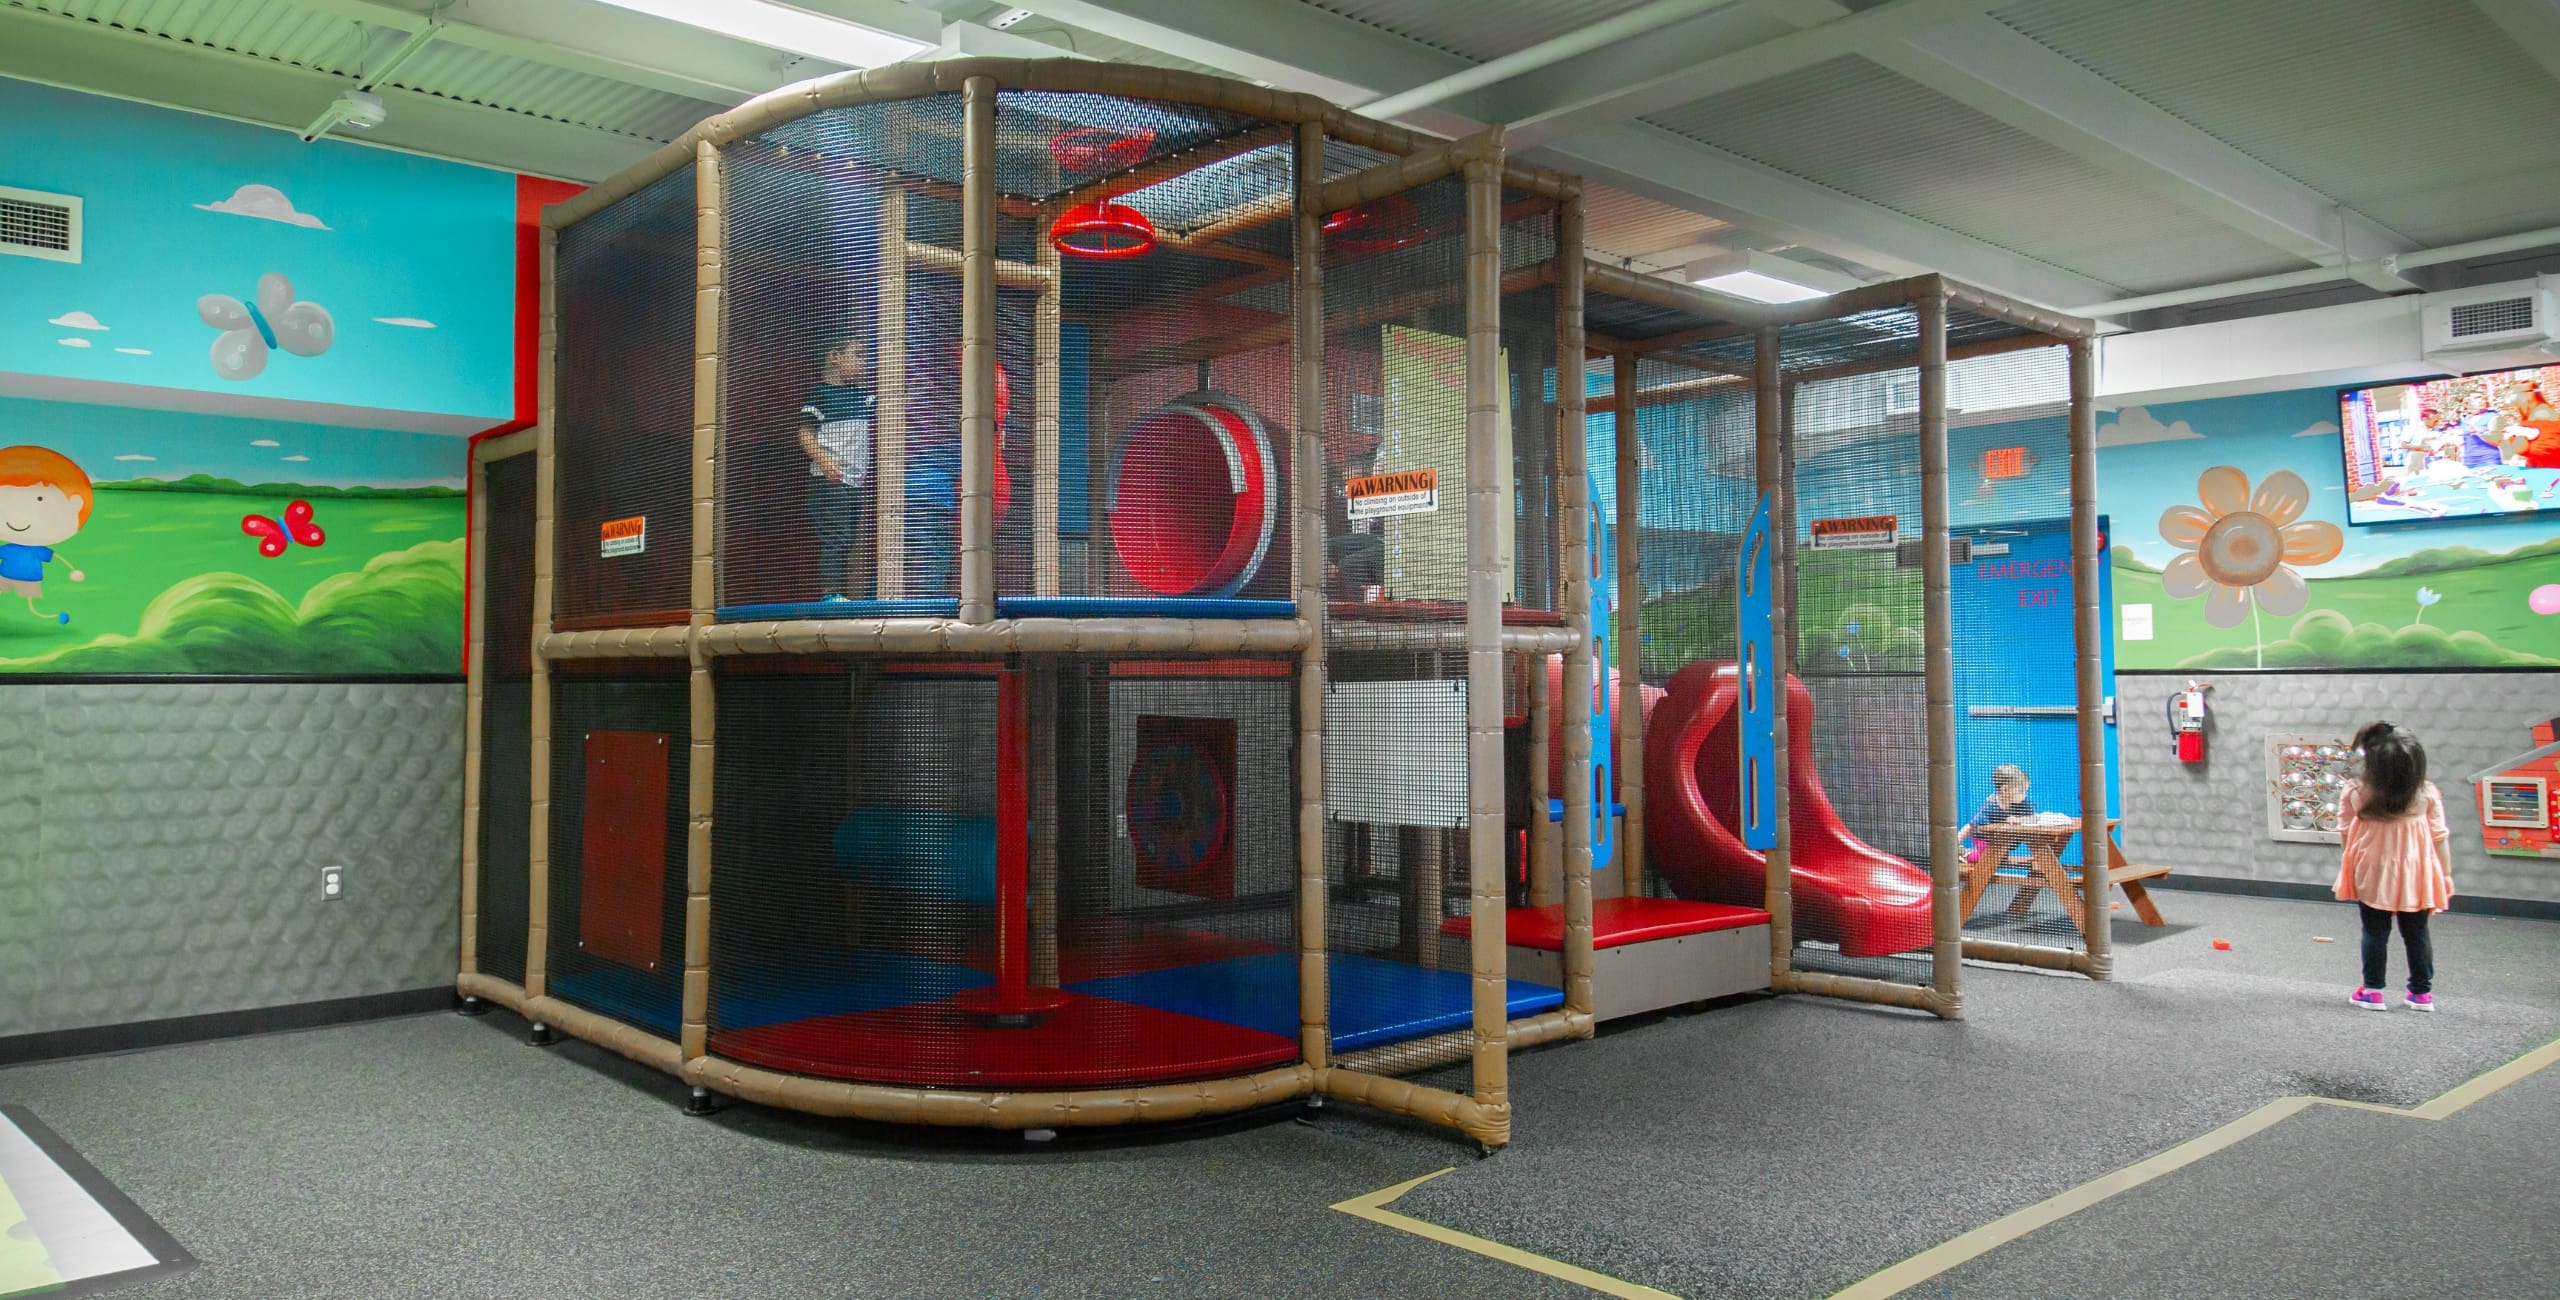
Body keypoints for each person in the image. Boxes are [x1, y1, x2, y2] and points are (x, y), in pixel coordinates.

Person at [2335, 723, 2454, 1012]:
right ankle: (2421, 994)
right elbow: (2439, 837)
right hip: (2418, 872)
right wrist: (2446, 874)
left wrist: (2353, 863)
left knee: (2374, 931)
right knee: (2417, 932)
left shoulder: (2356, 790)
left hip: (2372, 870)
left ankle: (2373, 991)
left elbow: (2345, 833)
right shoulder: (2426, 793)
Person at [799, 335, 876, 600]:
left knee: (849, 539)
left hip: (855, 481)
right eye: (858, 355)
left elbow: (891, 406)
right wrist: (823, 459)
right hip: (828, 479)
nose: (864, 363)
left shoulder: (862, 395)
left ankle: (839, 591)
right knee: (836, 536)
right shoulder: (821, 393)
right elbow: (806, 434)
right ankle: (829, 592)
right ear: (835, 356)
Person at [0, 445, 92, 624]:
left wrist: (72, 569)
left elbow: (55, 556)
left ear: (75, 504)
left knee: (31, 603)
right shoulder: (11, 548)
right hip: (5, 575)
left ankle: (43, 617)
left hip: (29, 578)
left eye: (39, 498)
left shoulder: (34, 550)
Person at [1961, 763, 2034, 864]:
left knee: (2000, 859)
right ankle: (1965, 855)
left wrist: (2019, 820)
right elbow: (1971, 826)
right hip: (1984, 838)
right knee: (1990, 860)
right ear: (2004, 790)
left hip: (2003, 841)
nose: (2024, 795)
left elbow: (2034, 819)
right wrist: (1953, 845)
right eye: (2021, 791)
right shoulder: (1991, 807)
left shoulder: (2023, 804)